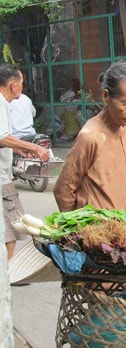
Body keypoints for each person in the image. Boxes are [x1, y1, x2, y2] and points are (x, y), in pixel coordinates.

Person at [53, 62, 126, 212]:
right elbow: (63, 190)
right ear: (106, 96)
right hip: (100, 232)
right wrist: (79, 230)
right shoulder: (90, 137)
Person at [0, 64, 50, 260]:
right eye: (21, 84)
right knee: (11, 230)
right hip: (2, 180)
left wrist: (16, 148)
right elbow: (2, 136)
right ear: (13, 85)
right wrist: (35, 147)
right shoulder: (2, 102)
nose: (22, 89)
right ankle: (6, 276)